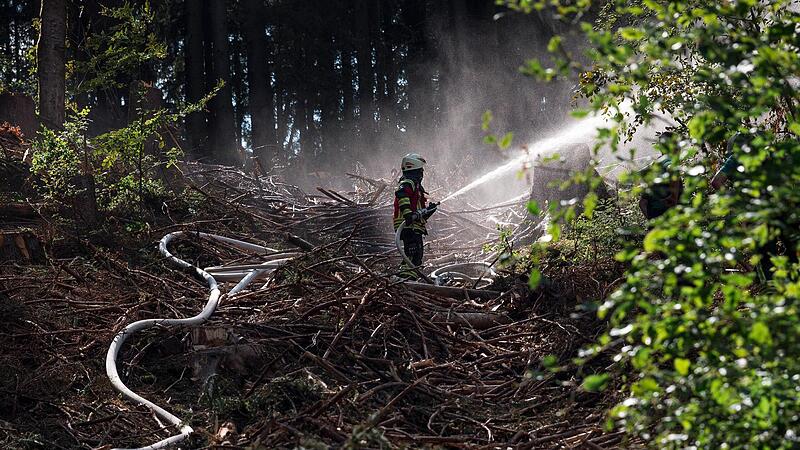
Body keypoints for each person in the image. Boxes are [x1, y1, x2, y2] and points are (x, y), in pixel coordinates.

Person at [393, 153, 437, 279]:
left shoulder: (416, 187)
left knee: (416, 254)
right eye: (421, 170)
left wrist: (428, 211)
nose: (422, 172)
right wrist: (407, 215)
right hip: (407, 226)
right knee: (412, 253)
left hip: (413, 226)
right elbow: (401, 194)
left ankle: (408, 278)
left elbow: (417, 212)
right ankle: (405, 279)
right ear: (415, 170)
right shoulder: (408, 182)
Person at [639, 153, 683, 220]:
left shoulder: (655, 167)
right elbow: (672, 170)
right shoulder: (668, 159)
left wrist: (651, 220)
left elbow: (642, 203)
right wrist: (674, 197)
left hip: (655, 217)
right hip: (670, 214)